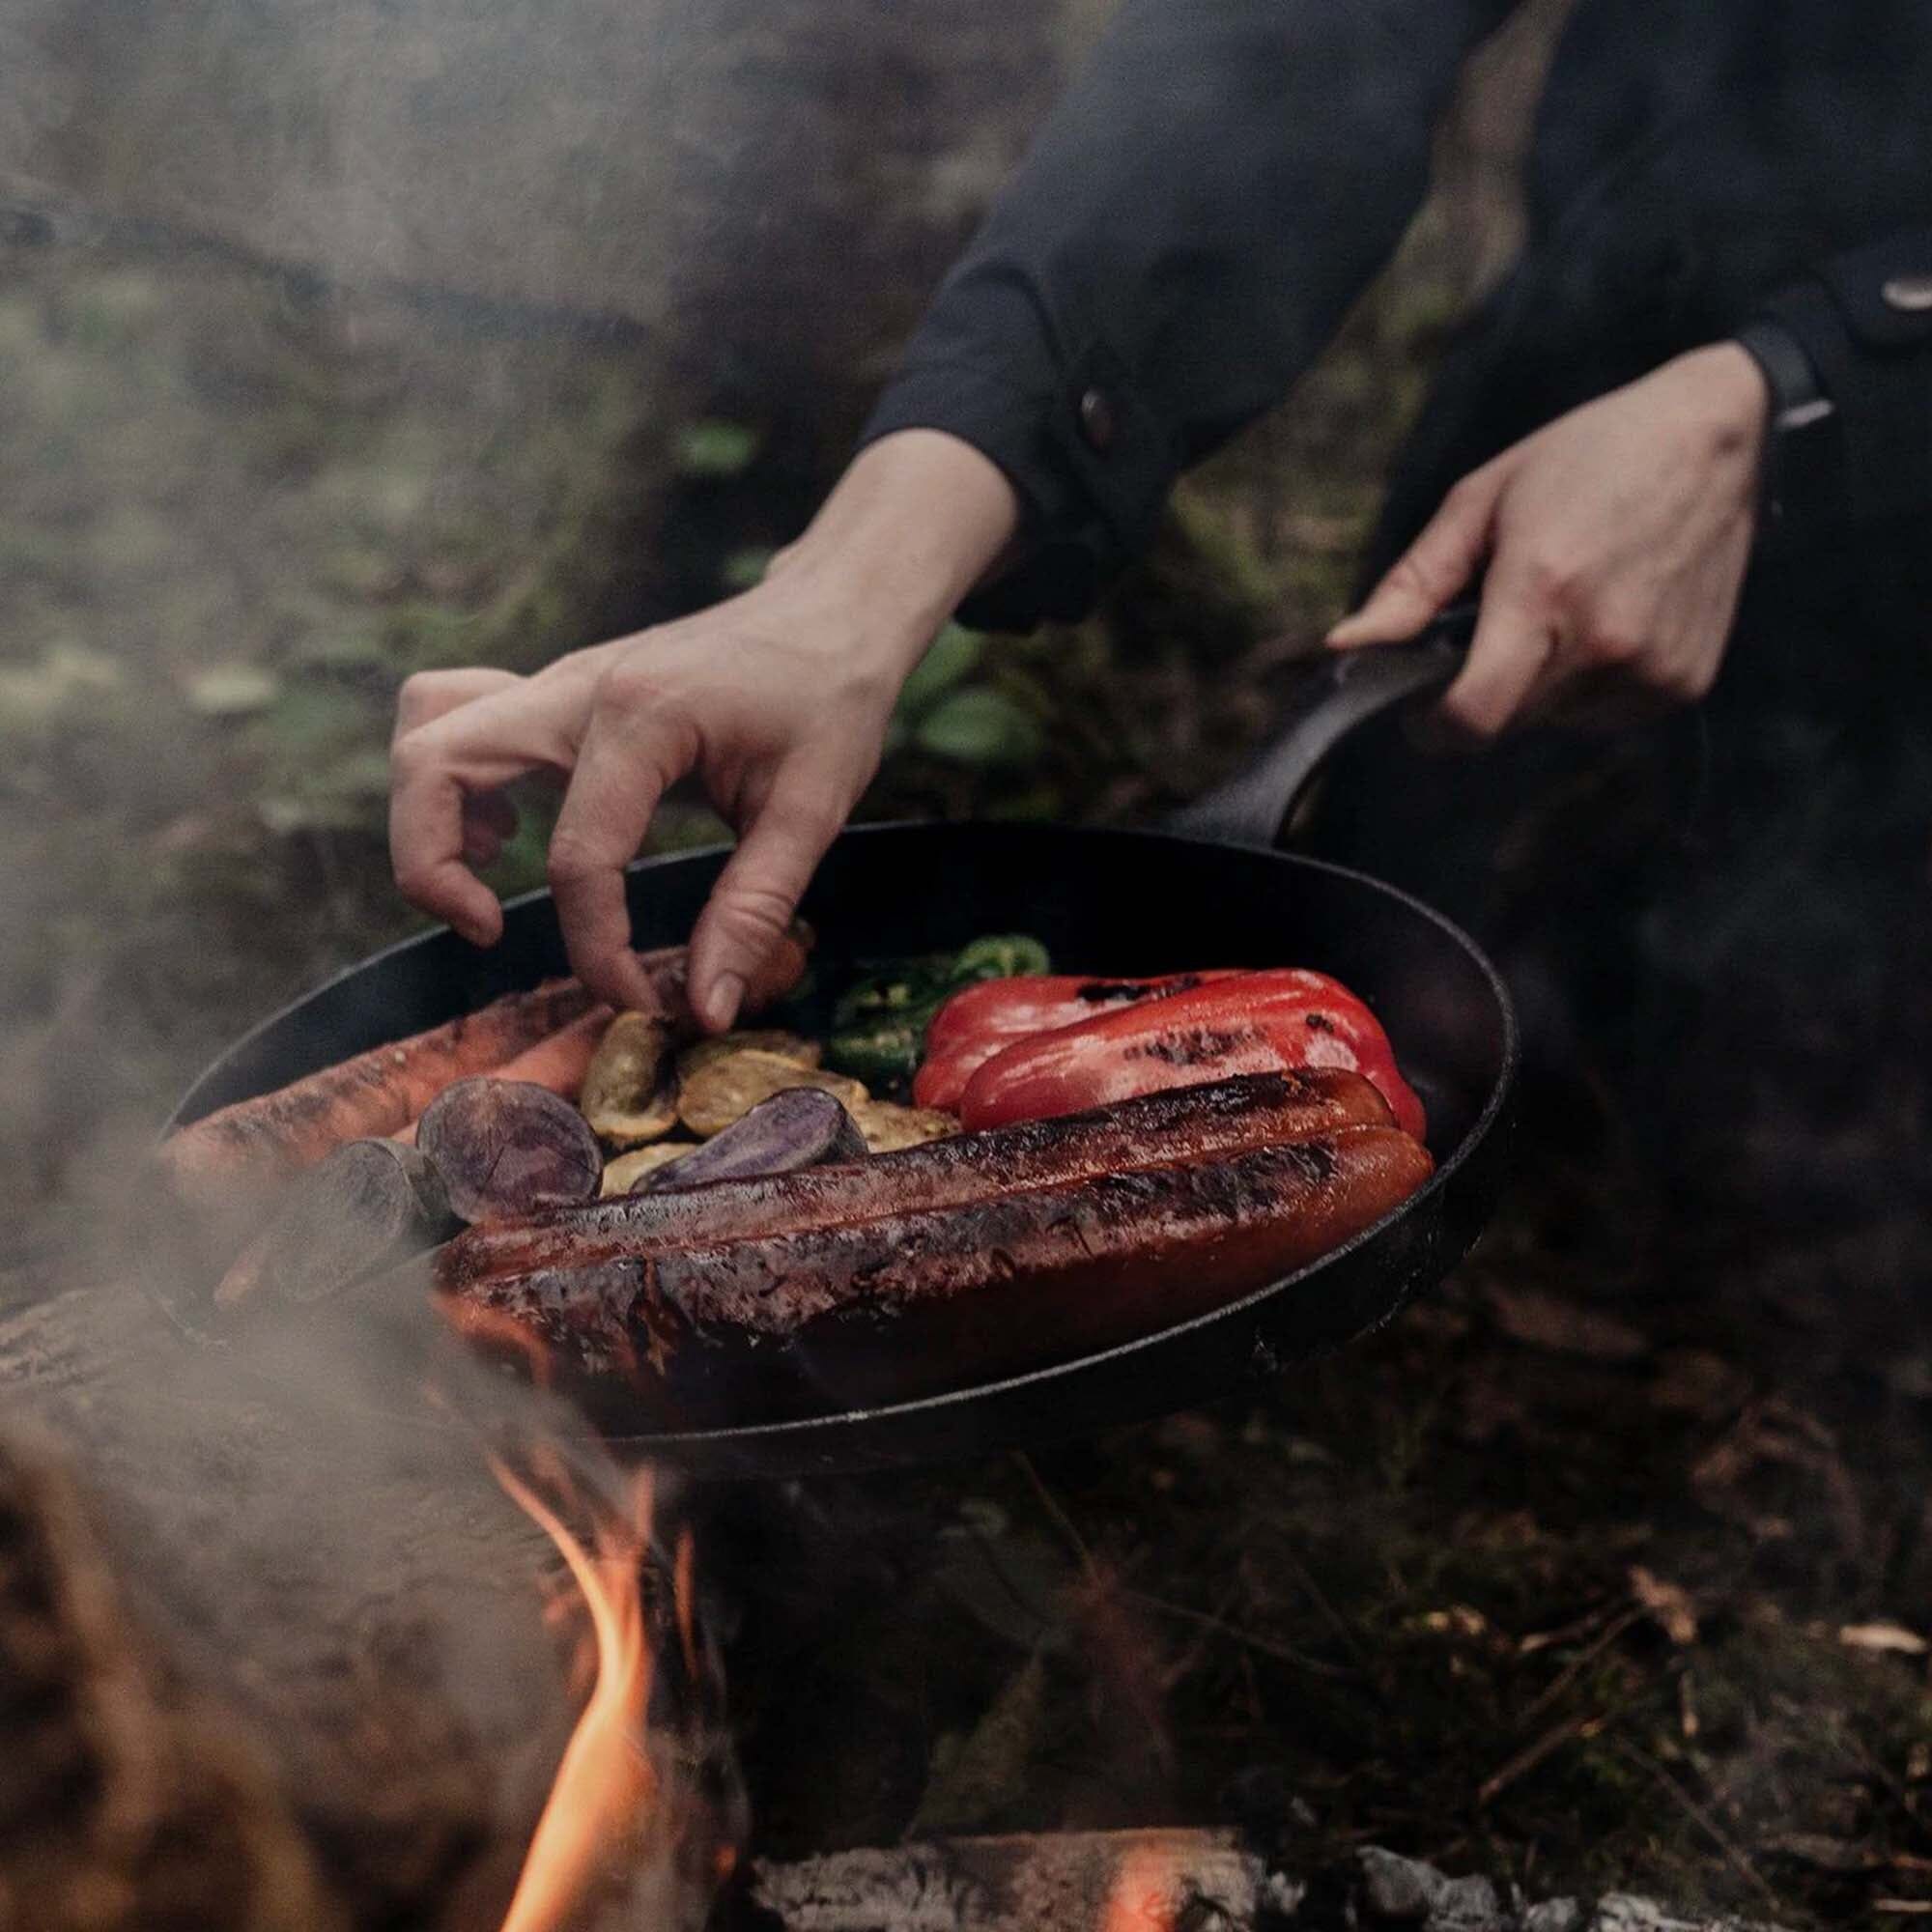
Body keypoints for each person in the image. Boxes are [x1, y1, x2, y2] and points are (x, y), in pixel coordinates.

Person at [386, 0, 1932, 1045]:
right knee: (1422, 992)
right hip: (1591, 374)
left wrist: (1797, 388)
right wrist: (853, 583)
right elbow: (1287, 51)